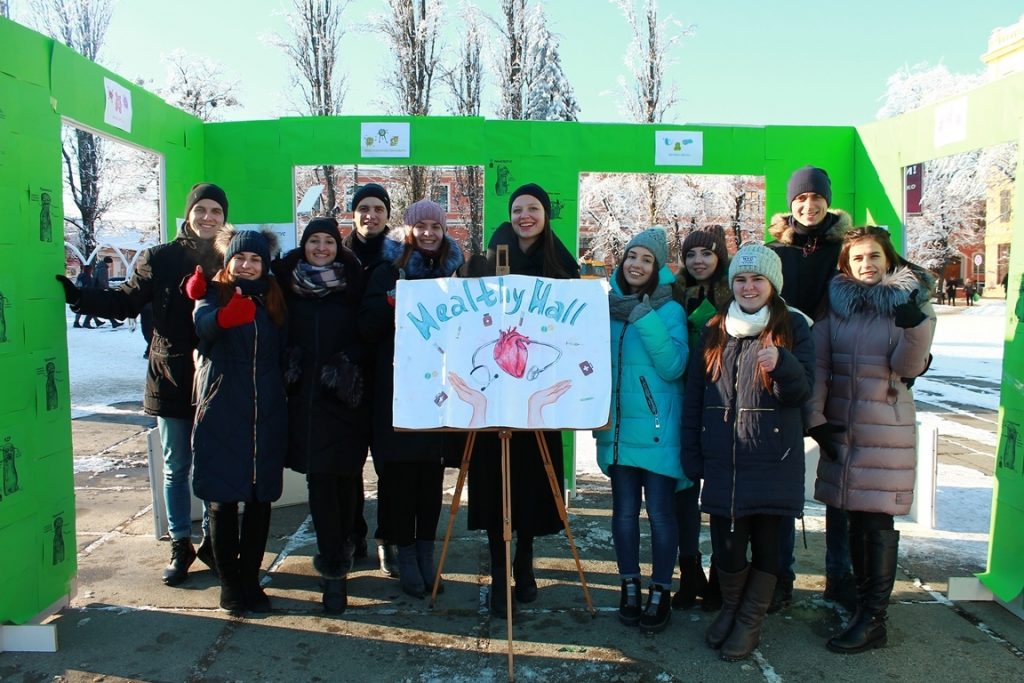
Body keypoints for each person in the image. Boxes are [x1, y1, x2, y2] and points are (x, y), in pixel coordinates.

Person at [56, 183, 228, 586]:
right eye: (200, 209)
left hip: (220, 376)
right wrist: (80, 298)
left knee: (214, 465)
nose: (207, 217)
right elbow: (126, 302)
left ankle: (214, 543)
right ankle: (181, 543)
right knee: (176, 466)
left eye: (215, 211)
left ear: (223, 217)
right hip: (171, 375)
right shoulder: (161, 257)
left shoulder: (230, 255)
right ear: (188, 214)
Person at [682, 243, 815, 661]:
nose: (749, 286)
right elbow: (695, 394)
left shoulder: (794, 326)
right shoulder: (716, 328)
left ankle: (749, 621)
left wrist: (783, 365)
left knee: (769, 548)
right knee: (727, 547)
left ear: (772, 284)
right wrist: (693, 451)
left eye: (757, 279)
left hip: (773, 458)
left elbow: (801, 392)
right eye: (741, 279)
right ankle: (734, 609)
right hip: (724, 458)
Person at [806, 226, 936, 653]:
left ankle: (874, 617)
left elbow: (908, 368)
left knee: (876, 521)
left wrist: (916, 328)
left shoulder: (909, 303)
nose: (867, 264)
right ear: (847, 263)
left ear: (889, 259)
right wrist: (817, 419)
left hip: (885, 428)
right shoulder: (837, 306)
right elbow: (820, 365)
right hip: (843, 427)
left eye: (875, 256)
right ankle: (859, 602)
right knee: (849, 515)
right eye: (859, 257)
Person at [460, 182, 580, 618]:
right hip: (494, 397)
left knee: (530, 484)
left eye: (533, 208)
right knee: (495, 488)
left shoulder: (562, 263)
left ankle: (524, 566)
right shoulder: (490, 255)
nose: (524, 215)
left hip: (536, 399)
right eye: (517, 208)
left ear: (546, 215)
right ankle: (497, 575)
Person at [359, 200, 465, 599]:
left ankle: (425, 551)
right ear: (407, 230)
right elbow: (365, 329)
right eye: (420, 226)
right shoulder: (388, 272)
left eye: (435, 227)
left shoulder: (455, 273)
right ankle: (404, 552)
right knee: (399, 477)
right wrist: (389, 307)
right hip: (398, 391)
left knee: (431, 478)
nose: (428, 233)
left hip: (441, 392)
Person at [766, 165, 854, 612]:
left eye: (815, 197)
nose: (808, 205)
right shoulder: (772, 252)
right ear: (791, 203)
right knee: (780, 480)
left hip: (835, 372)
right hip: (781, 369)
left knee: (840, 477)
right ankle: (778, 575)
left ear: (827, 200)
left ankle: (840, 574)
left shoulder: (847, 250)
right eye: (800, 198)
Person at [272, 217, 367, 614]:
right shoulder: (287, 285)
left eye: (329, 240)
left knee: (346, 480)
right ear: (304, 245)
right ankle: (334, 572)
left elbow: (371, 333)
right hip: (305, 404)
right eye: (314, 241)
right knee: (321, 482)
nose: (322, 247)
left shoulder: (353, 284)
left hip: (344, 400)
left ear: (338, 246)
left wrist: (347, 366)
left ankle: (351, 538)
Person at [597, 227, 690, 634]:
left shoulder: (669, 310)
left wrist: (643, 316)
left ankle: (660, 590)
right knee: (623, 513)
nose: (636, 264)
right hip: (618, 429)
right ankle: (629, 585)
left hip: (658, 427)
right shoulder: (605, 307)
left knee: (661, 514)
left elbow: (673, 366)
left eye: (646, 259)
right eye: (632, 256)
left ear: (658, 268)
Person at [192, 228, 288, 614]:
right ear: (228, 261)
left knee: (260, 499)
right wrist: (223, 317)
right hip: (222, 409)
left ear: (265, 264)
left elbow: (285, 348)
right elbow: (201, 328)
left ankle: (251, 580)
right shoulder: (212, 293)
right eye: (241, 259)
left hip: (265, 412)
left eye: (256, 259)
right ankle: (229, 584)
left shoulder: (275, 299)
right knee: (223, 501)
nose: (248, 266)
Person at [670, 225, 732, 612]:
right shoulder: (673, 296)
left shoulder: (735, 295)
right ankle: (690, 569)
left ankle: (723, 576)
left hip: (724, 401)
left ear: (719, 257)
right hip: (685, 400)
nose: (698, 262)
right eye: (691, 255)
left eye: (706, 254)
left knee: (723, 495)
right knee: (684, 492)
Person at [342, 182, 394, 573]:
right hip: (346, 372)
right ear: (353, 213)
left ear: (388, 215)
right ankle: (352, 532)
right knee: (348, 462)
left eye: (378, 208)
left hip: (390, 372)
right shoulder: (335, 255)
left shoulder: (400, 256)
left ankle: (388, 538)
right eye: (364, 208)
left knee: (390, 464)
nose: (370, 215)